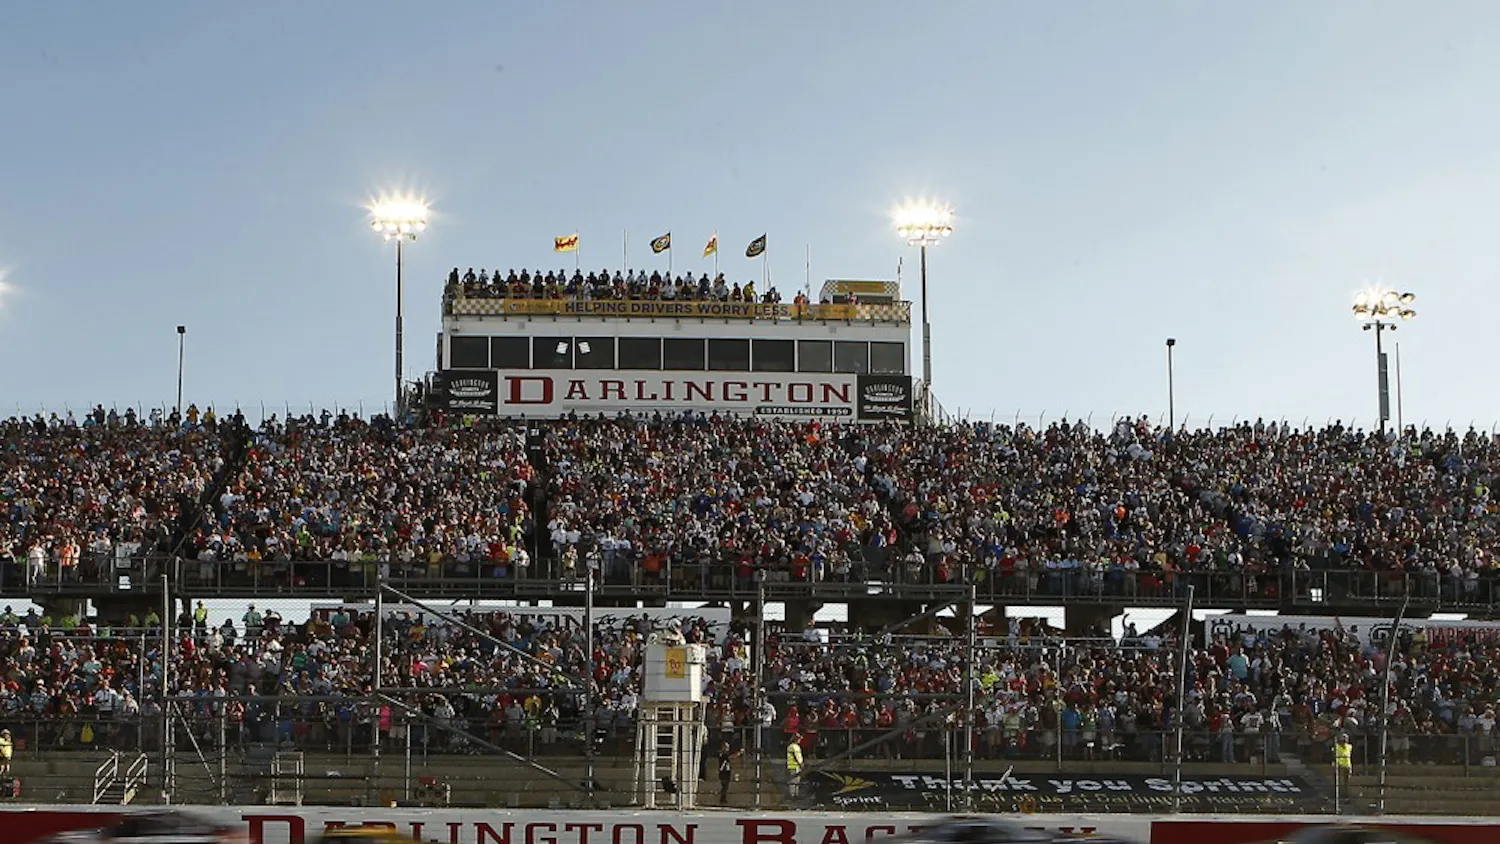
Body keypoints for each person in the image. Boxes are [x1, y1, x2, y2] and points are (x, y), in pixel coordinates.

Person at [785, 731, 804, 800]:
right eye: (799, 739)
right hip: (794, 766)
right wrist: (800, 763)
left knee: (796, 781)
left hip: (795, 766)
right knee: (793, 781)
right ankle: (792, 794)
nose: (800, 740)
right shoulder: (793, 747)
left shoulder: (794, 746)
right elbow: (796, 756)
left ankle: (795, 794)